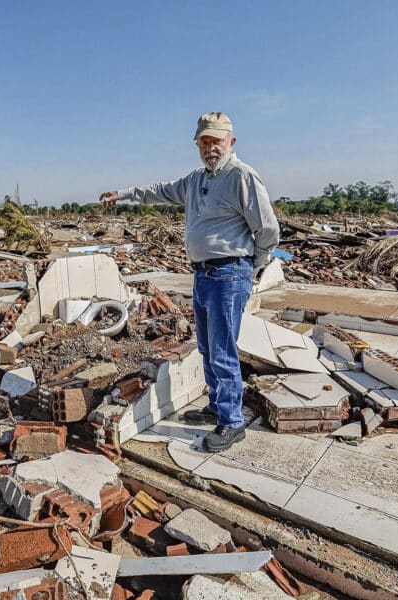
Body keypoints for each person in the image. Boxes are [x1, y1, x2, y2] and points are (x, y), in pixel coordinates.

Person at [100, 112, 279, 451]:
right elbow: (159, 191)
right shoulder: (196, 180)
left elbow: (267, 229)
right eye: (203, 141)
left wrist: (255, 267)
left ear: (231, 142)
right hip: (203, 275)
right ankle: (216, 406)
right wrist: (121, 194)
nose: (210, 147)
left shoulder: (242, 176)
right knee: (208, 348)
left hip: (230, 273)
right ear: (197, 144)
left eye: (216, 140)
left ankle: (231, 421)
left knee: (224, 350)